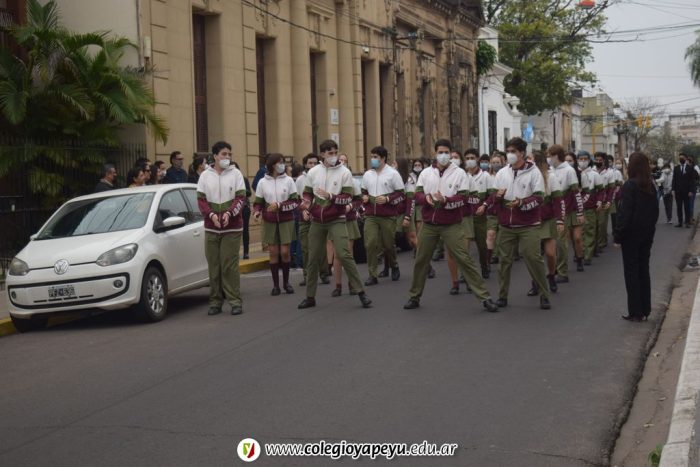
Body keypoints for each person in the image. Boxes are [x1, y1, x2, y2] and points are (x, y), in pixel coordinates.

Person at [404, 138, 498, 312]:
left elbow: (463, 198)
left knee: (464, 259)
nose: (443, 156)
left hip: (451, 224)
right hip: (429, 224)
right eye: (440, 152)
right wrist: (427, 198)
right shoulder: (426, 173)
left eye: (446, 152)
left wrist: (445, 200)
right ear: (435, 153)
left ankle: (485, 297)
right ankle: (414, 296)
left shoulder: (459, 173)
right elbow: (417, 195)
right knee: (421, 260)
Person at [298, 139, 372, 309]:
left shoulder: (344, 173)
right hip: (317, 220)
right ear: (322, 154)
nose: (333, 156)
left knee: (344, 254)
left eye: (335, 152)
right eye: (330, 153)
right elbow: (308, 193)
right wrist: (306, 203)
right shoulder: (313, 172)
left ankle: (361, 292)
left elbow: (348, 198)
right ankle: (310, 297)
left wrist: (330, 196)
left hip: (337, 218)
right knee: (313, 257)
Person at [490, 137, 551, 310]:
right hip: (506, 225)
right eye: (508, 151)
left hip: (528, 225)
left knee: (533, 258)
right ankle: (502, 296)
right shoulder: (502, 173)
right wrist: (497, 197)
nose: (510, 154)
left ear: (522, 153)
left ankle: (544, 294)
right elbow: (493, 196)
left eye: (513, 151)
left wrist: (522, 203)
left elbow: (539, 198)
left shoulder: (534, 172)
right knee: (504, 261)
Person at [197, 141, 247, 316]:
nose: (227, 157)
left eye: (229, 154)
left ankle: (235, 301)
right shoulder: (205, 176)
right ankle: (215, 302)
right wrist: (211, 215)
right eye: (224, 154)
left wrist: (229, 214)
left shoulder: (236, 174)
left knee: (229, 266)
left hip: (232, 228)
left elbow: (241, 198)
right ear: (215, 156)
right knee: (214, 266)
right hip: (212, 228)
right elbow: (201, 201)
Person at [614, 151, 659, 321]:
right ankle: (645, 309)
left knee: (631, 272)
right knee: (643, 270)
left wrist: (618, 236)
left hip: (631, 236)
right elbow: (655, 212)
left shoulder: (630, 186)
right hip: (647, 234)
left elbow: (625, 213)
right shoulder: (650, 185)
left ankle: (635, 311)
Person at [253, 153, 299, 296]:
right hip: (269, 221)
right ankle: (275, 286)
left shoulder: (289, 181)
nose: (282, 165)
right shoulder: (262, 182)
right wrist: (257, 212)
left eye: (283, 162)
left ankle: (286, 283)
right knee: (273, 252)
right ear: (272, 165)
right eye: (279, 162)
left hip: (286, 220)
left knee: (285, 252)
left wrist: (280, 205)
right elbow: (258, 203)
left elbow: (295, 202)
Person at [361, 146, 405, 285]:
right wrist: (364, 197)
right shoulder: (367, 174)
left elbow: (401, 194)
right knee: (371, 243)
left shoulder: (393, 174)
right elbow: (363, 192)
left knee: (388, 244)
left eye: (375, 157)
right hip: (371, 215)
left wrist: (387, 199)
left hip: (387, 215)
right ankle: (372, 274)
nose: (372, 159)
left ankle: (394, 265)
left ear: (383, 158)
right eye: (371, 157)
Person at [527, 150, 563, 296]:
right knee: (534, 256)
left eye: (531, 159)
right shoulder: (527, 176)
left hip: (548, 220)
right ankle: (535, 282)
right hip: (532, 220)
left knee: (550, 254)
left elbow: (558, 200)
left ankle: (552, 275)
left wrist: (560, 220)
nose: (528, 162)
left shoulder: (551, 177)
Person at [330, 153, 363, 296]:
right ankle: (338, 286)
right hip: (334, 219)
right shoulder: (330, 179)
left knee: (347, 253)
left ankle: (352, 283)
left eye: (345, 160)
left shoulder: (352, 180)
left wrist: (350, 206)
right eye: (340, 160)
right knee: (337, 254)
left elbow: (358, 200)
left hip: (348, 220)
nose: (342, 162)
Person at [296, 153, 329, 286]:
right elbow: (298, 199)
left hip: (319, 217)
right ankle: (307, 275)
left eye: (315, 163)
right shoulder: (300, 180)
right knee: (305, 248)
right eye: (310, 163)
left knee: (320, 247)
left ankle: (324, 273)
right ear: (305, 165)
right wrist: (303, 210)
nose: (312, 165)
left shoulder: (323, 176)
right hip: (304, 218)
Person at [552, 146, 585, 282]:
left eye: (550, 155)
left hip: (571, 210)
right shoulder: (550, 170)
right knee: (559, 241)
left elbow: (576, 193)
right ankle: (559, 269)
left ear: (556, 156)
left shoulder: (569, 171)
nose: (548, 158)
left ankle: (578, 260)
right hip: (559, 211)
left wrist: (580, 212)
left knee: (576, 238)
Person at [465, 149, 492, 279]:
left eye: (472, 158)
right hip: (465, 217)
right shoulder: (462, 175)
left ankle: (484, 266)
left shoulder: (485, 176)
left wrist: (484, 205)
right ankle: (464, 272)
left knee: (482, 245)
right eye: (467, 158)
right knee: (464, 247)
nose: (470, 160)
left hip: (479, 217)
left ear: (477, 159)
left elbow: (491, 196)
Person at [578, 150, 604, 265]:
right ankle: (580, 253)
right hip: (576, 209)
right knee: (579, 233)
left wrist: (599, 201)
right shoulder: (574, 173)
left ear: (589, 160)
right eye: (580, 159)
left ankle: (587, 255)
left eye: (585, 159)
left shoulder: (594, 174)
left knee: (589, 231)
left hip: (590, 208)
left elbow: (601, 190)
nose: (583, 161)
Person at [487, 152, 505, 266]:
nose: (495, 164)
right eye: (493, 162)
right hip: (491, 211)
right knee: (491, 234)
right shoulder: (487, 177)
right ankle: (491, 257)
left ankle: (498, 253)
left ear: (502, 163)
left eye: (497, 162)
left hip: (503, 210)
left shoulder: (505, 176)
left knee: (501, 236)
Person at [232, 161, 253, 259]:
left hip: (244, 207)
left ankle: (246, 252)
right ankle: (234, 252)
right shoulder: (228, 181)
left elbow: (249, 193)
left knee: (245, 230)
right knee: (233, 231)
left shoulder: (243, 179)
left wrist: (241, 190)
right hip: (232, 208)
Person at [672, 151, 697, 228]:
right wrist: (673, 190)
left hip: (687, 191)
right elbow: (674, 179)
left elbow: (692, 180)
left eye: (682, 158)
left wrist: (691, 191)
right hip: (678, 191)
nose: (681, 159)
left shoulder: (690, 168)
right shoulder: (676, 168)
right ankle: (680, 222)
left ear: (686, 158)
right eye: (680, 158)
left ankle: (687, 222)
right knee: (679, 207)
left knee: (687, 207)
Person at [594, 152, 613, 253]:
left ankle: (601, 243)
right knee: (594, 223)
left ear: (604, 161)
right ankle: (594, 243)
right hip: (593, 201)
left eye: (600, 160)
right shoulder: (591, 171)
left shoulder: (609, 172)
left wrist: (609, 201)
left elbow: (611, 189)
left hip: (604, 201)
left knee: (602, 223)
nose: (598, 162)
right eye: (596, 160)